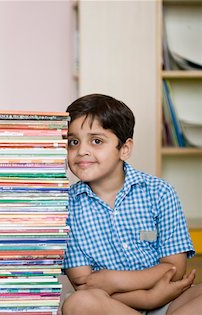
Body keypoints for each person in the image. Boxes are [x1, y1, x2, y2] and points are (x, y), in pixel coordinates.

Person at [62, 94, 202, 315]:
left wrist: (114, 279)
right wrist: (147, 298)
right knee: (78, 303)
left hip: (169, 300)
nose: (81, 151)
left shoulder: (159, 192)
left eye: (96, 141)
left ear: (124, 149)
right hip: (110, 304)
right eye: (73, 142)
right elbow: (84, 284)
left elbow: (174, 269)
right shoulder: (66, 207)